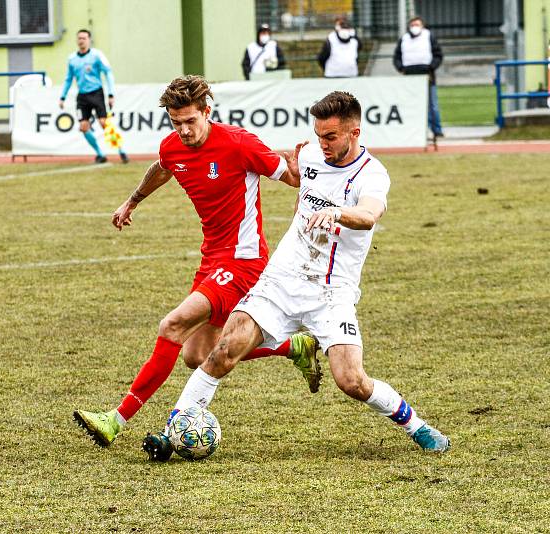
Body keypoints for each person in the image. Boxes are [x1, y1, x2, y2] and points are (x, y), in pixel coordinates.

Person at [153, 91, 451, 459]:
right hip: (282, 279)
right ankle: (174, 430)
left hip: (331, 291)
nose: (322, 144)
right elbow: (297, 185)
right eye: (318, 135)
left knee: (351, 381)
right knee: (222, 351)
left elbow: (370, 214)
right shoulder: (309, 153)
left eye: (331, 137)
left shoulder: (372, 175)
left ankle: (417, 426)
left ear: (354, 132)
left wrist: (338, 213)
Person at [73, 75, 320, 456]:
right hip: (211, 259)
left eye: (191, 121)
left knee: (171, 324)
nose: (184, 130)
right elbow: (162, 168)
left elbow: (291, 178)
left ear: (207, 111)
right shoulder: (173, 147)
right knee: (194, 355)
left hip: (243, 261)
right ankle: (293, 347)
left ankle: (115, 420)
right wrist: (132, 201)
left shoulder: (239, 143)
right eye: (176, 123)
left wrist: (303, 162)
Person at [59, 29, 129, 164]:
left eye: (84, 38)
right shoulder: (72, 59)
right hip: (82, 97)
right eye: (79, 38)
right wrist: (62, 97)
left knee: (104, 123)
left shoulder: (97, 55)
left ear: (89, 40)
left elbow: (108, 73)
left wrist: (111, 94)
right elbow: (68, 79)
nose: (81, 41)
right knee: (83, 127)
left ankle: (121, 151)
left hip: (96, 93)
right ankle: (100, 154)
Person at [393, 16, 444, 137]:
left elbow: (438, 54)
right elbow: (397, 56)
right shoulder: (404, 39)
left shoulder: (429, 36)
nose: (415, 27)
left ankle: (437, 130)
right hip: (409, 77)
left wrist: (431, 67)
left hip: (427, 76)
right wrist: (401, 67)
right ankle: (414, 131)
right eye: (413, 25)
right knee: (410, 104)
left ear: (422, 26)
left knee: (432, 105)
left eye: (417, 24)